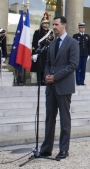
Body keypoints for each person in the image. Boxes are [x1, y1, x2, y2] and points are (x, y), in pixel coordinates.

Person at [40, 16, 79, 160]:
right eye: (53, 24)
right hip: (51, 86)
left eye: (56, 24)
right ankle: (46, 149)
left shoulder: (72, 43)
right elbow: (48, 63)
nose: (54, 27)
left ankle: (63, 149)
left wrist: (55, 76)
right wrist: (47, 75)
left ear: (64, 25)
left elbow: (73, 64)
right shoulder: (52, 43)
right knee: (49, 118)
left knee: (64, 118)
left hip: (63, 86)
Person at [32, 12, 53, 85]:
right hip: (39, 52)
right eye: (44, 23)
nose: (46, 25)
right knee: (39, 67)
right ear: (41, 24)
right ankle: (39, 80)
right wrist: (34, 53)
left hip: (47, 52)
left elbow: (52, 43)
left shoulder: (50, 33)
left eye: (47, 23)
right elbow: (34, 43)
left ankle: (44, 80)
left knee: (45, 67)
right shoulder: (37, 32)